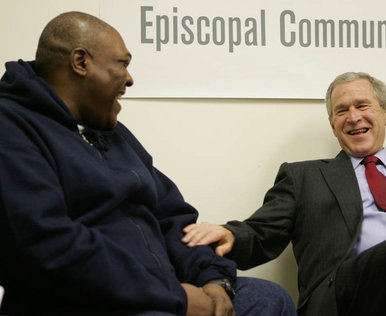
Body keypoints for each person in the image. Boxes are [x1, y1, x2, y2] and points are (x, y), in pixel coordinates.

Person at [0, 11, 297, 316]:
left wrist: (213, 280)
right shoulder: (12, 126)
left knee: (268, 299)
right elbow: (44, 245)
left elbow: (173, 220)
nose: (129, 78)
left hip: (160, 293)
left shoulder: (114, 133)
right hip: (84, 301)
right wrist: (174, 296)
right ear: (81, 62)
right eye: (123, 63)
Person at [182, 72, 386, 315]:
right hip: (347, 295)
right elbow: (262, 232)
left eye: (362, 106)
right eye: (341, 111)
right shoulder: (305, 176)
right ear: (333, 124)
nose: (353, 117)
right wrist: (229, 232)